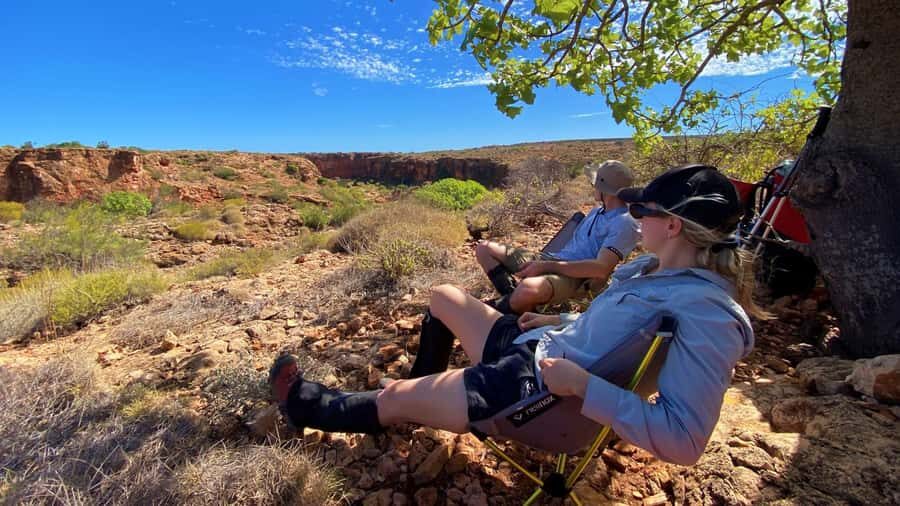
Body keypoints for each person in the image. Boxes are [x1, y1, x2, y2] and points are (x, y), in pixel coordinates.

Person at [269, 164, 762, 465]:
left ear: (672, 225)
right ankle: (426, 390)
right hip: (542, 350)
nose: (634, 221)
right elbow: (609, 335)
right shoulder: (656, 271)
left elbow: (684, 440)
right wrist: (558, 323)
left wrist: (582, 386)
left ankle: (311, 407)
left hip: (540, 395)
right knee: (443, 295)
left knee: (393, 395)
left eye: (642, 214)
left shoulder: (708, 313)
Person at [474, 160, 640, 314]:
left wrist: (547, 267)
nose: (593, 187)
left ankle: (486, 314)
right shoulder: (598, 210)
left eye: (596, 184)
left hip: (576, 278)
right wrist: (545, 263)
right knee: (484, 249)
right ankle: (517, 306)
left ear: (605, 190)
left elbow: (600, 269)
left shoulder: (624, 222)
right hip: (554, 260)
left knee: (527, 289)